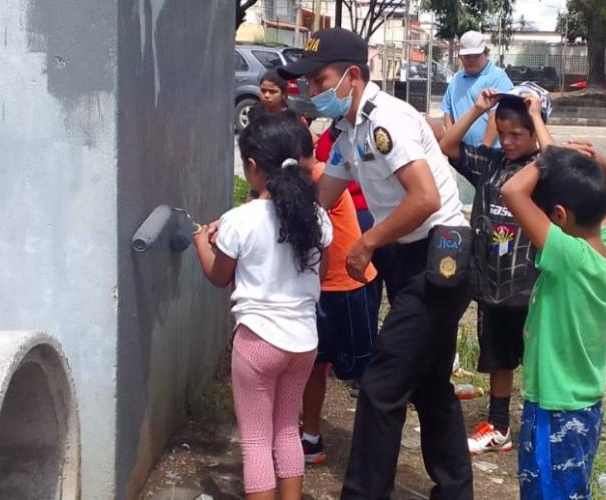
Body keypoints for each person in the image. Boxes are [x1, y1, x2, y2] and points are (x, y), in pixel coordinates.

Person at [279, 28, 473, 499]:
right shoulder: (348, 131)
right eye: (308, 82)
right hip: (406, 257)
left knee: (382, 383)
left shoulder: (386, 120)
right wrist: (270, 210)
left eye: (320, 80)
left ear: (352, 75)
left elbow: (425, 199)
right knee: (429, 384)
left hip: (439, 256)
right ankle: (455, 490)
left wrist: (366, 242)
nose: (312, 90)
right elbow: (322, 198)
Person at [193, 113, 333, 500]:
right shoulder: (317, 217)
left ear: (252, 166)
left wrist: (202, 242)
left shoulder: (238, 220)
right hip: (303, 342)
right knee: (286, 429)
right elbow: (322, 271)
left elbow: (219, 276)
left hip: (257, 342)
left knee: (256, 441)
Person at [501, 145, 606, 499]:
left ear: (558, 215)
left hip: (554, 408)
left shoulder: (568, 256)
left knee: (546, 491)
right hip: (586, 407)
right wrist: (602, 165)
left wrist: (549, 158)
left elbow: (512, 191)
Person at [439, 83, 554, 455]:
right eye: (502, 132)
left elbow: (556, 166)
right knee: (498, 358)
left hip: (534, 287)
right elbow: (448, 146)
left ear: (534, 132)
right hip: (493, 285)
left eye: (516, 134)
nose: (506, 141)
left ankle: (541, 429)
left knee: (539, 360)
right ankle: (499, 426)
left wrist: (535, 115)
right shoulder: (491, 163)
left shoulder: (541, 171)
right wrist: (477, 110)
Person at [288, 114, 379, 465]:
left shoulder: (319, 179)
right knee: (315, 364)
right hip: (320, 288)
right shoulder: (301, 179)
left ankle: (375, 447)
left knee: (363, 369)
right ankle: (310, 438)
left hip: (347, 287)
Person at [441, 30, 512, 147]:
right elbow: (447, 111)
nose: (471, 60)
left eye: (476, 55)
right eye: (467, 56)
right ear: (461, 57)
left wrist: (484, 149)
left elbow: (497, 115)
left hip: (491, 153)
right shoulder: (456, 79)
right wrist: (451, 140)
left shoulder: (498, 77)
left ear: (486, 53)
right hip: (461, 152)